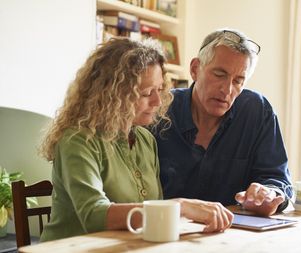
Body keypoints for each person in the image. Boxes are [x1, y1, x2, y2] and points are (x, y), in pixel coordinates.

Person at [39, 37, 233, 242]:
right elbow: (94, 215)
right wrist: (179, 207)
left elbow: (151, 213)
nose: (158, 101)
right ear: (113, 94)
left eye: (159, 90)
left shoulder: (145, 139)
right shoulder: (78, 140)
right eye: (147, 93)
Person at [153, 28, 292, 216]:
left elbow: (277, 179)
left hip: (232, 235)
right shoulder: (159, 109)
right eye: (219, 74)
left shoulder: (257, 111)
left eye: (238, 81)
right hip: (164, 230)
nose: (226, 90)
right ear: (195, 69)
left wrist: (268, 195)